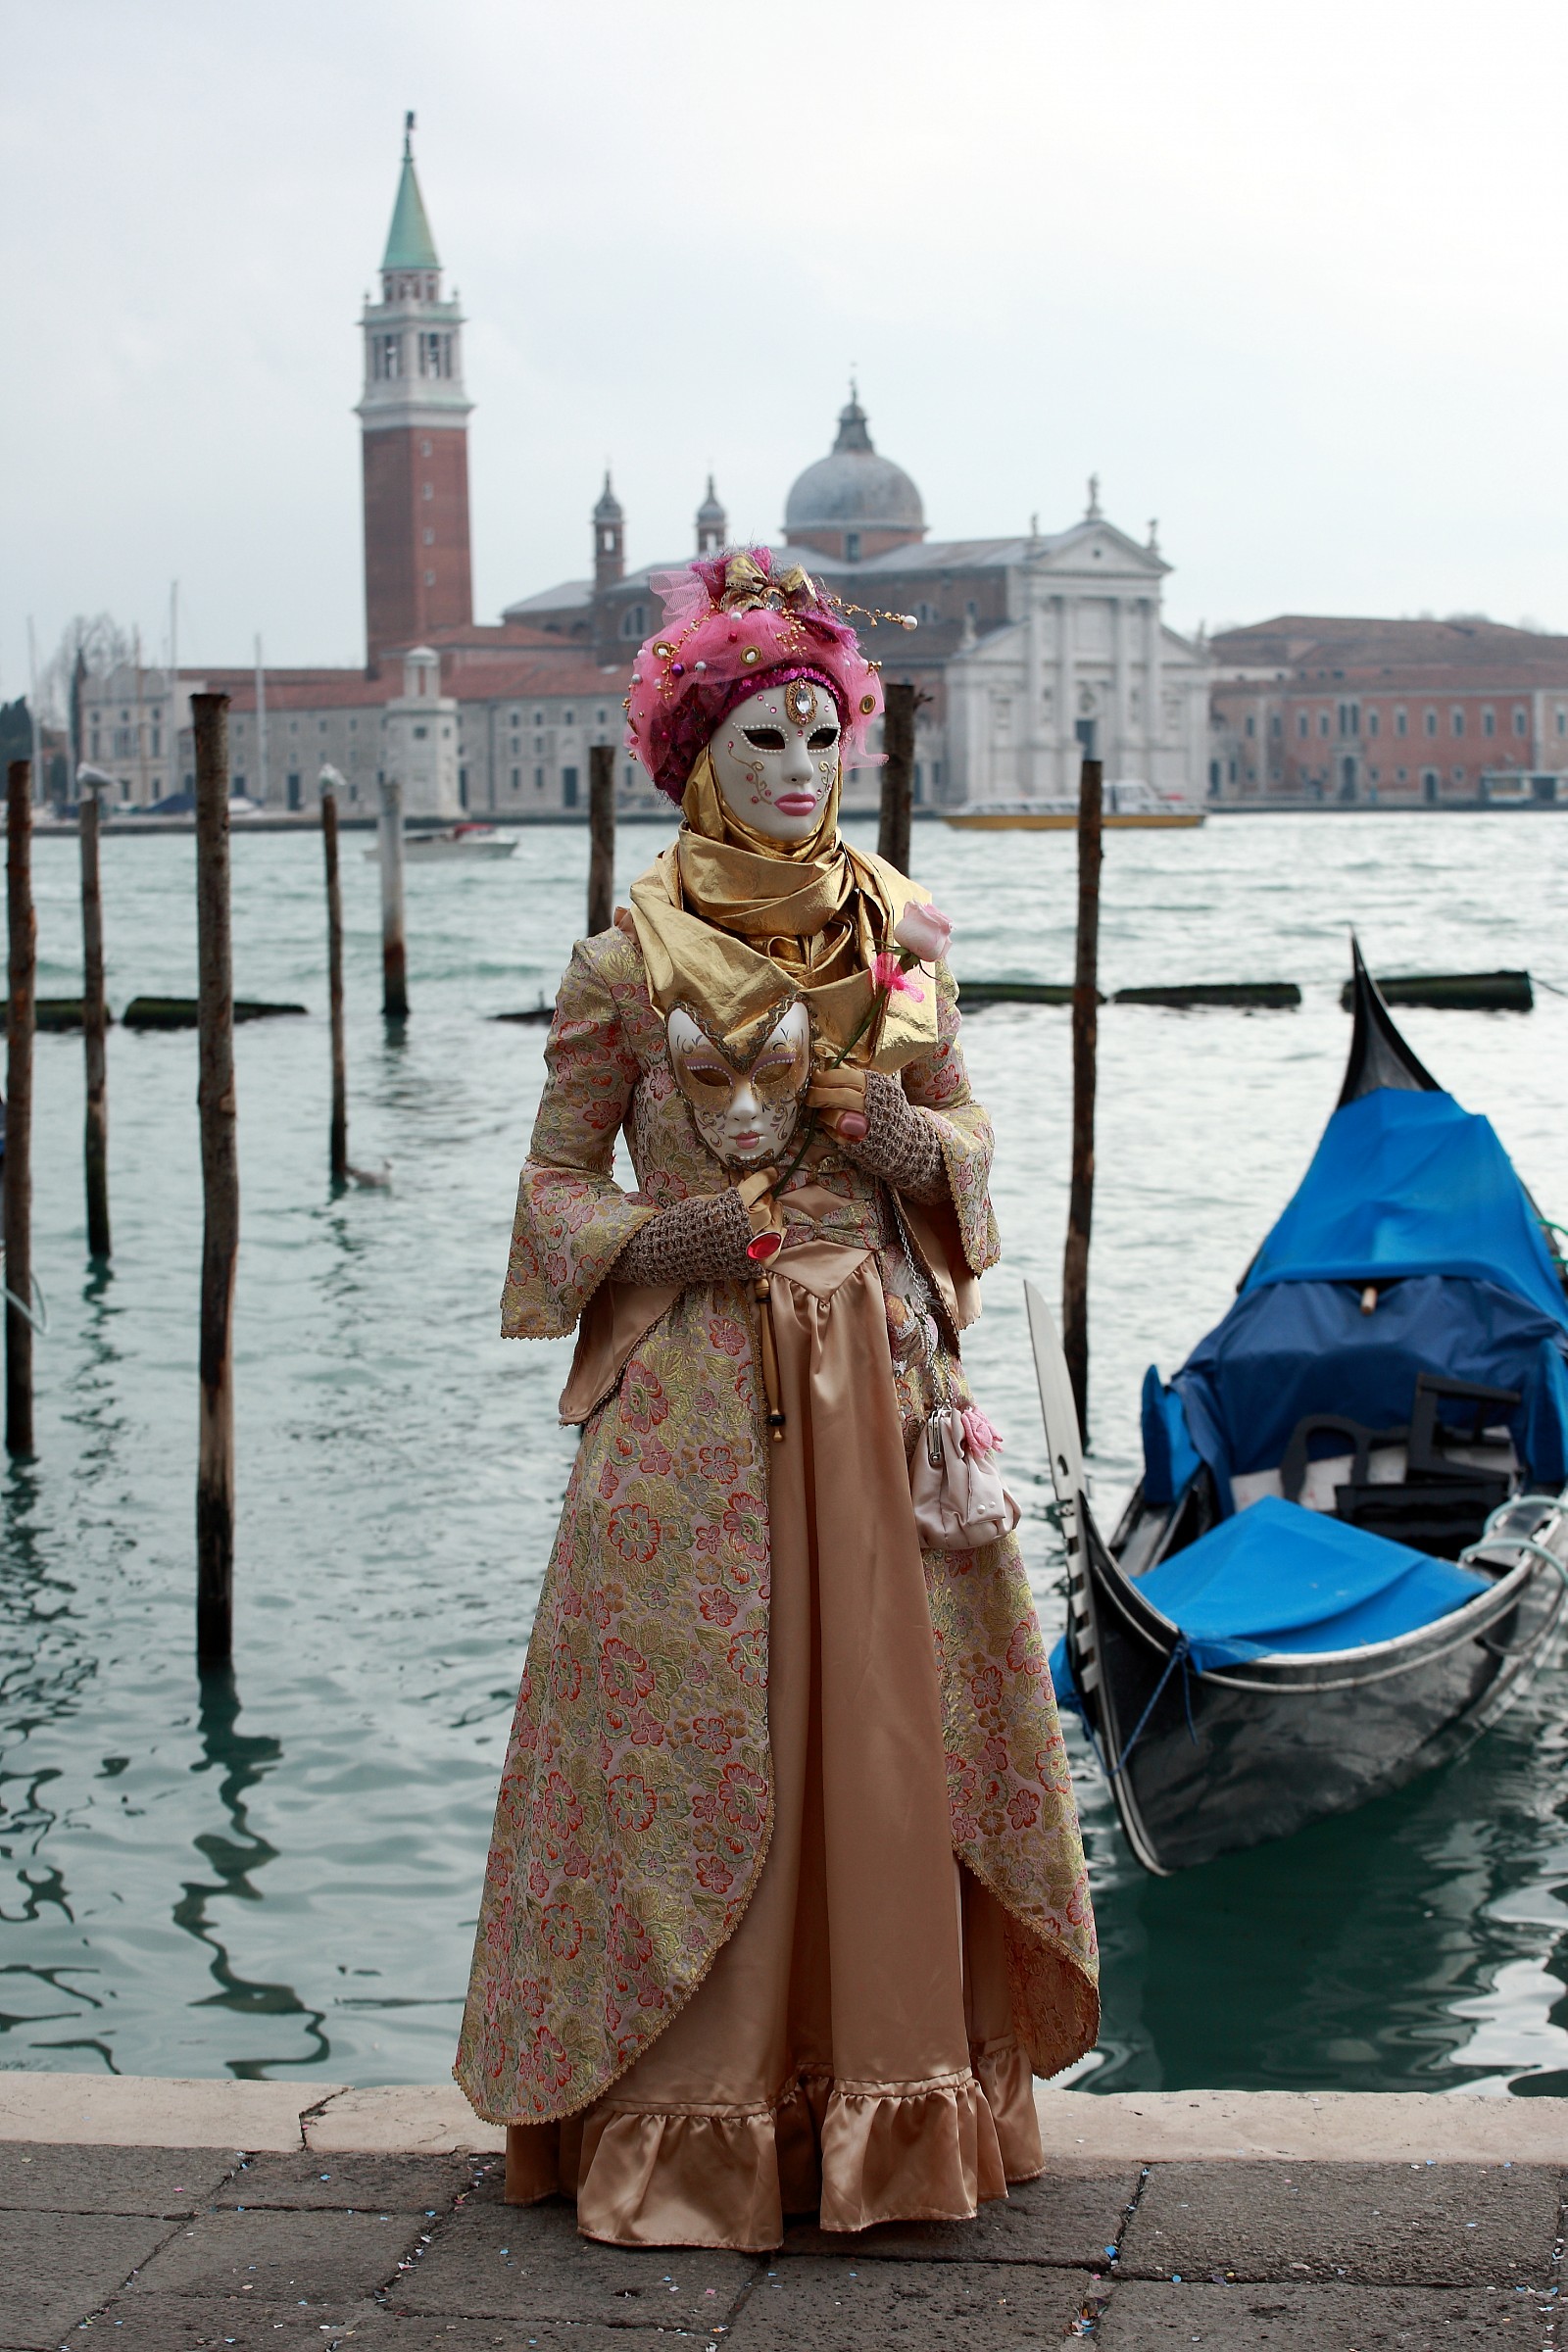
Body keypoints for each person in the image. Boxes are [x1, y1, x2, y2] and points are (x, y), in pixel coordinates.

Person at [456, 548, 1097, 2251]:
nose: (803, 773)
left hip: (881, 1380)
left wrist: (896, 1138)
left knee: (893, 1739)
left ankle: (899, 2113)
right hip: (700, 1394)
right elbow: (542, 1193)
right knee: (701, 1723)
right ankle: (693, 2125)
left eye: (823, 736)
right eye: (765, 741)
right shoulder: (624, 964)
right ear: (693, 756)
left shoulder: (903, 940)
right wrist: (663, 1232)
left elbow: (968, 1149)